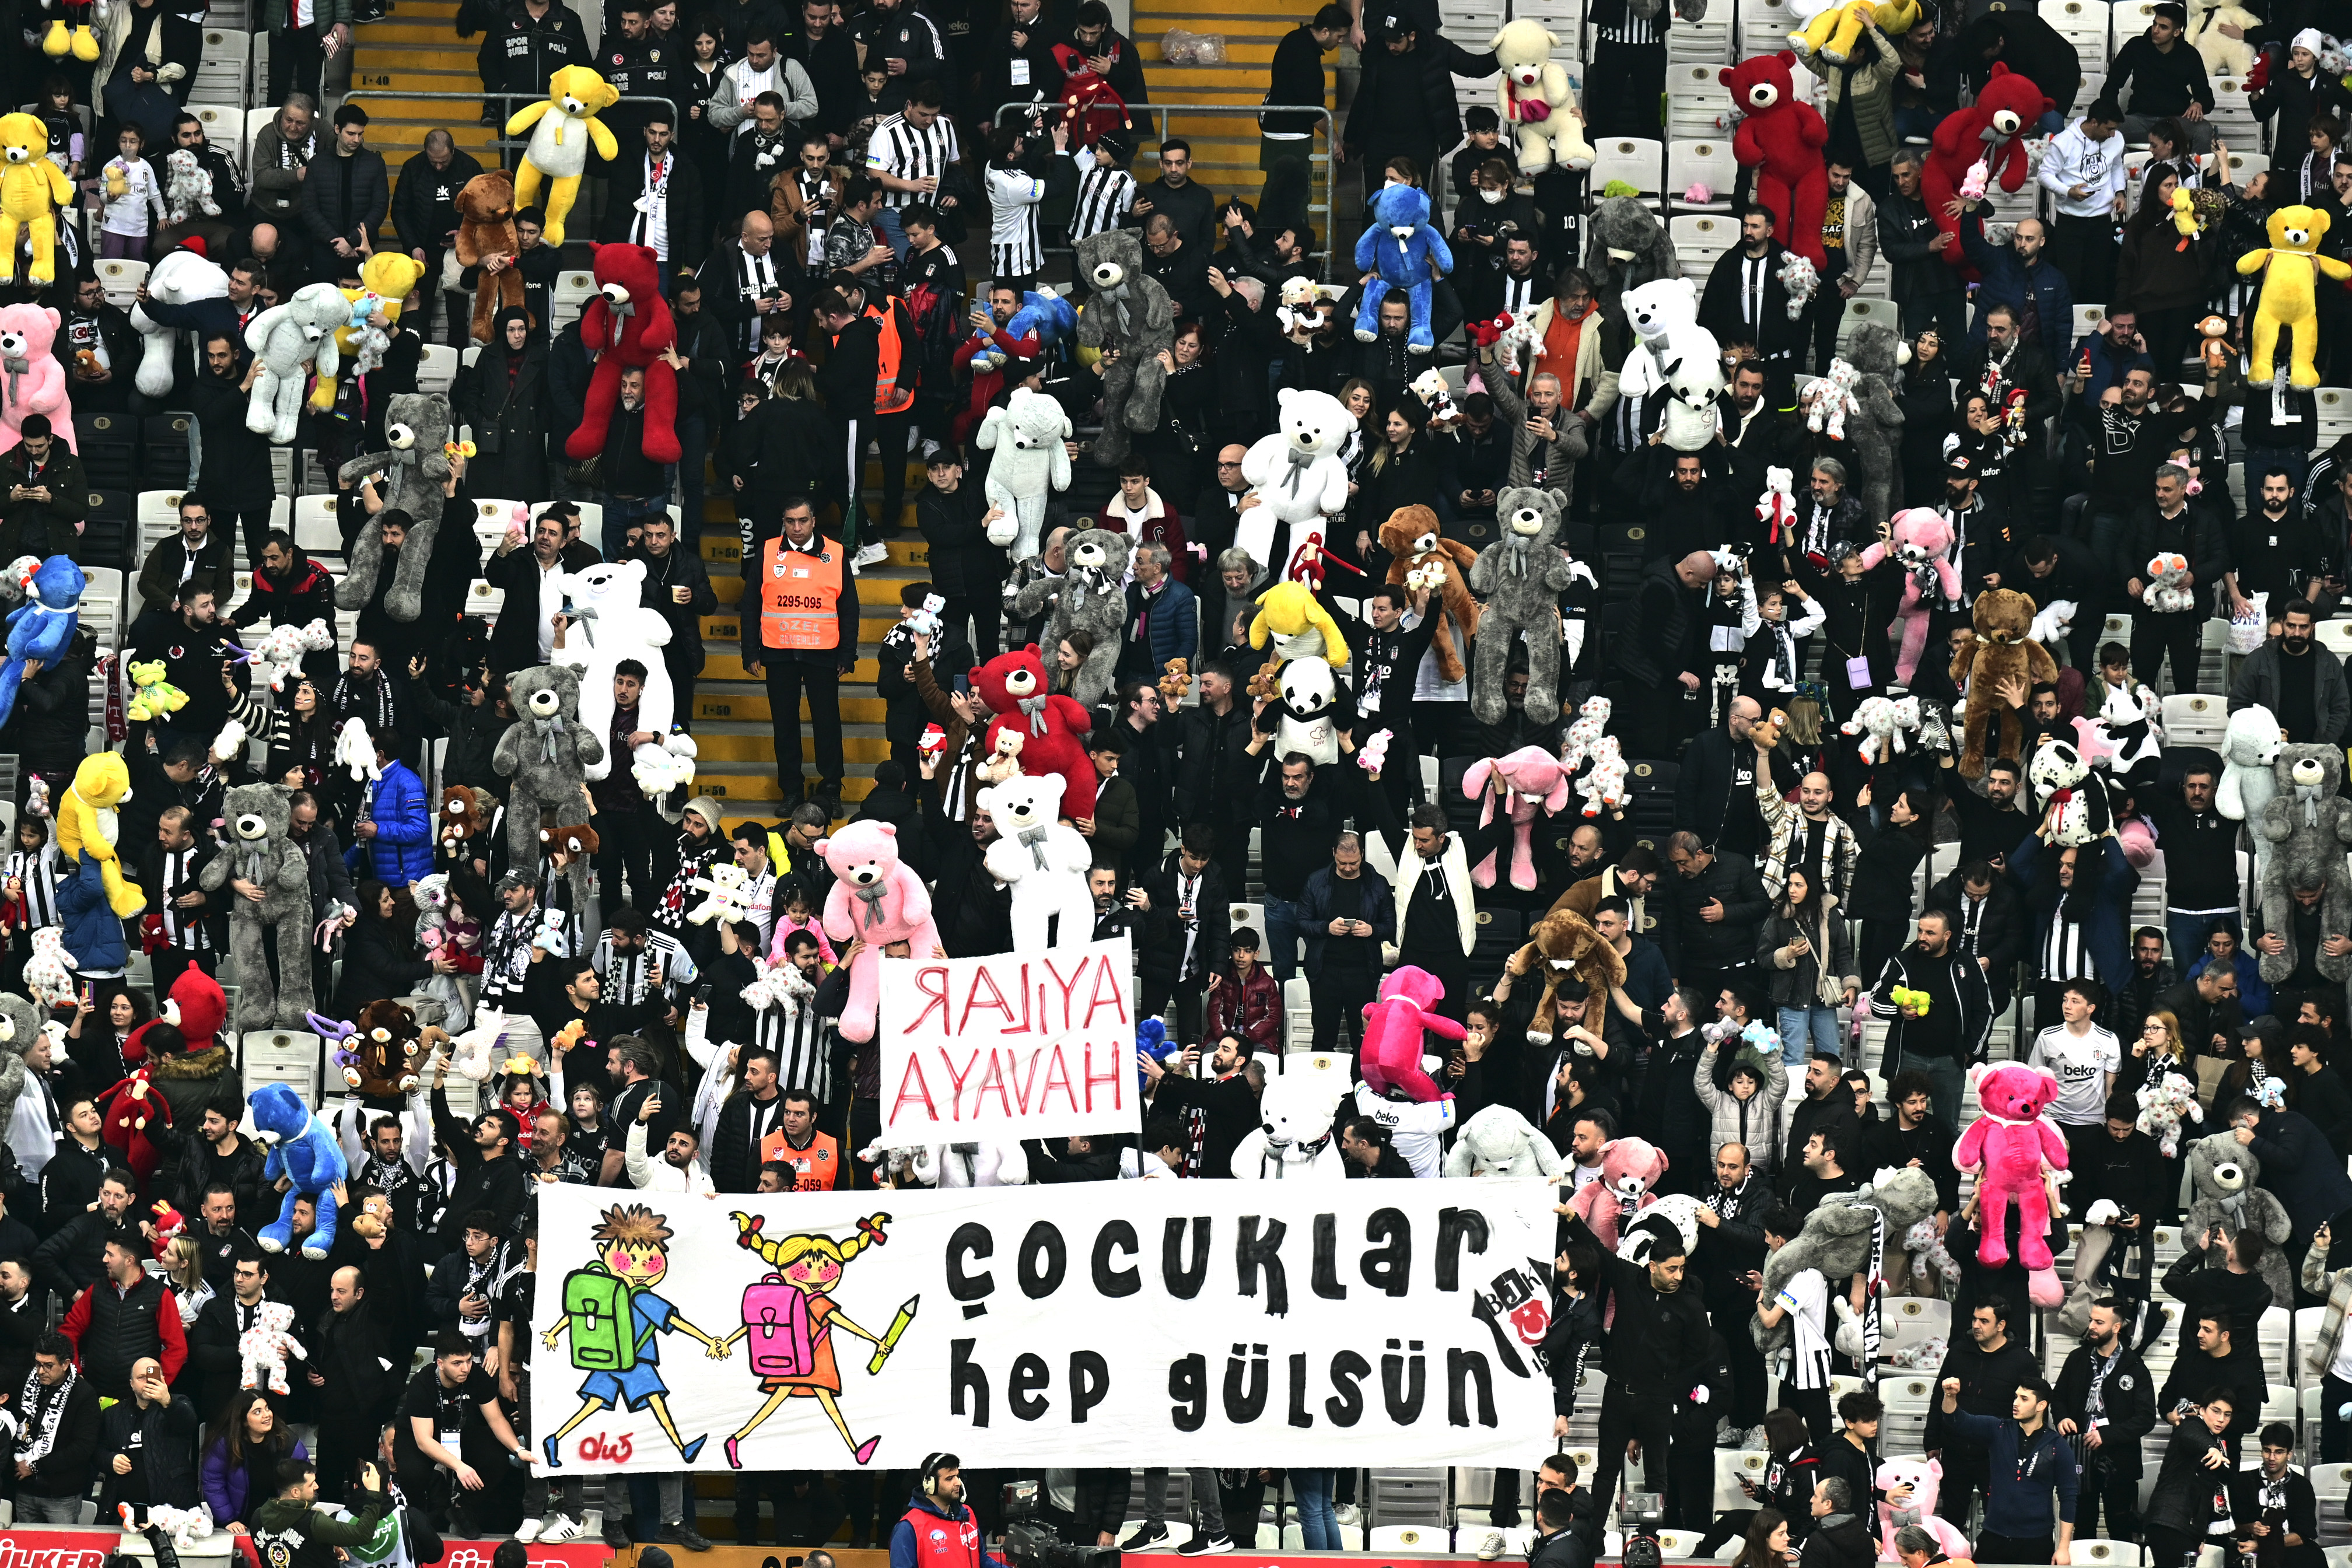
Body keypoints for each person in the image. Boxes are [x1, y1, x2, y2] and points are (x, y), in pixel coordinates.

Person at [742, 496, 859, 816]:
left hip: (823, 653)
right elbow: (751, 603)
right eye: (790, 521)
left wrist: (847, 654)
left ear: (814, 521)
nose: (797, 527)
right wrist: (750, 650)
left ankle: (831, 789)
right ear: (784, 522)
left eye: (803, 520)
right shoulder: (768, 551)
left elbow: (849, 608)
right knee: (785, 725)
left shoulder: (835, 553)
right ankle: (791, 790)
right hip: (778, 652)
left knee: (827, 724)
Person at [1870, 909, 1994, 1128]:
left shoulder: (1967, 964)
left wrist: (1969, 1049)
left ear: (1947, 936)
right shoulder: (1900, 961)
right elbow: (1875, 1001)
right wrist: (1899, 1011)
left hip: (1950, 1060)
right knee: (1902, 1126)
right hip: (1907, 1058)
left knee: (1947, 1128)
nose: (1922, 937)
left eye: (1930, 933)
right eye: (1920, 931)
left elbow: (1985, 1009)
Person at [1936, 1374, 2078, 1564]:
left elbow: (2068, 1497)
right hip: (1994, 1535)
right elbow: (1956, 1420)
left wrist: (2063, 1548)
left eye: (2024, 1399)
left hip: (2036, 1540)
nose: (2016, 1403)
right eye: (2016, 1396)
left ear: (2041, 1406)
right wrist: (1950, 1396)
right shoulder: (1999, 1429)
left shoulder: (2057, 1445)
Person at [1926, 1298, 2038, 1530]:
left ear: (2001, 1325)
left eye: (1984, 1321)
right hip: (1956, 1452)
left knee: (1999, 1522)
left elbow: (2033, 1409)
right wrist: (1932, 1441)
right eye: (1975, 1319)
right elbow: (1939, 1396)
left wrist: (2024, 1448)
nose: (1976, 1325)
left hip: (1996, 1456)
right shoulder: (1959, 1351)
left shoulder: (2022, 1360)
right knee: (1951, 1522)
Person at [2052, 1297, 2157, 1541]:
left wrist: (2106, 1435)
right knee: (2082, 1527)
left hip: (2120, 1462)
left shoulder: (2134, 1367)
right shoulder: (2077, 1359)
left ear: (2117, 1327)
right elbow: (2058, 1398)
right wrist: (2062, 1418)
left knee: (2120, 1529)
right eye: (2091, 1320)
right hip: (2080, 1456)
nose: (2091, 1326)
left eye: (2099, 1322)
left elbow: (2145, 1418)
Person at [8, 1332, 102, 1521]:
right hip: (25, 1488)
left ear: (65, 1364)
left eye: (48, 1366)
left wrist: (35, 1466)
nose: (41, 1371)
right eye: (38, 1364)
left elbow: (83, 1448)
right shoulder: (26, 1381)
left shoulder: (84, 1395)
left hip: (62, 1495)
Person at [2142, 1390, 2239, 1568]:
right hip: (2169, 1522)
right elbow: (2192, 1435)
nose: (2221, 1419)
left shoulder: (2216, 1439)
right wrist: (2211, 1448)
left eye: (2227, 1415)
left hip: (2185, 1527)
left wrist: (2199, 1536)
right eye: (2216, 1411)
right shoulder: (2191, 1425)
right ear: (2202, 1410)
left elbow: (2207, 1492)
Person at [253, 1455, 394, 1568]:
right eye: (311, 1484)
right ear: (295, 1492)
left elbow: (295, 1553)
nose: (317, 1486)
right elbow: (363, 1535)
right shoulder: (314, 1522)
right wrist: (374, 1494)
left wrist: (325, 1547)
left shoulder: (258, 1517)